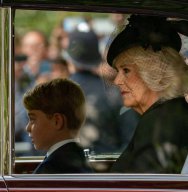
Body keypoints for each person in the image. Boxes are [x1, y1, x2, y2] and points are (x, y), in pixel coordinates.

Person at [106, 14, 188, 173]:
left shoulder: (159, 123)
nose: (116, 81)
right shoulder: (171, 113)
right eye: (118, 71)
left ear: (155, 73)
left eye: (126, 70)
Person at [64, 24, 139, 154]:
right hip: (108, 170)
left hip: (67, 171)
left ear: (69, 58)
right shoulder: (115, 93)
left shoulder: (56, 93)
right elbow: (131, 139)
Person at [23, 78, 93, 174]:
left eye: (33, 119)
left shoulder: (49, 169)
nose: (27, 128)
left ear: (57, 121)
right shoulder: (80, 156)